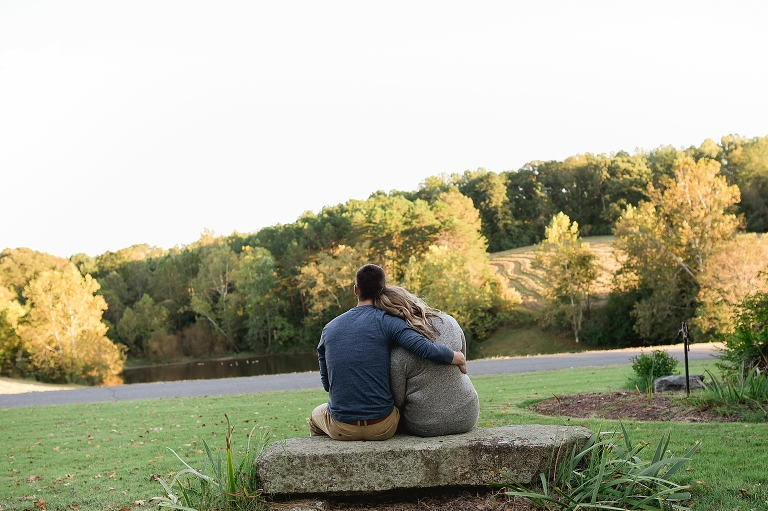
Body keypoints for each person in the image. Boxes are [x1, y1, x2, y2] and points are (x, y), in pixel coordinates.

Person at [309, 264, 467, 441]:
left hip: (342, 427)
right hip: (383, 427)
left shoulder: (329, 328)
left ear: (355, 290)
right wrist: (456, 356)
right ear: (383, 289)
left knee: (316, 416)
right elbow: (423, 348)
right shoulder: (388, 322)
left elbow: (327, 384)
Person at [374, 286, 480, 437]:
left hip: (425, 425)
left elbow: (398, 400)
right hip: (468, 414)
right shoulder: (450, 322)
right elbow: (463, 367)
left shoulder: (397, 354)